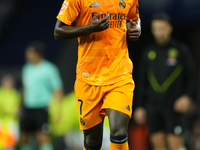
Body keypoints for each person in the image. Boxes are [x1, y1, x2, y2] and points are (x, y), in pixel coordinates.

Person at [54, 0, 141, 149]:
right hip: (88, 78)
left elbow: (134, 18)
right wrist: (89, 28)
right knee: (92, 140)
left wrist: (137, 27)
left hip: (119, 74)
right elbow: (58, 31)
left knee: (119, 133)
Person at [134, 13, 196, 150]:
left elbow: (192, 76)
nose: (159, 32)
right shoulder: (148, 53)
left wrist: (187, 96)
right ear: (152, 30)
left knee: (175, 144)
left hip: (173, 107)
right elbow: (142, 82)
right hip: (153, 107)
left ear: (169, 28)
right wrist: (139, 106)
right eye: (156, 29)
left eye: (162, 28)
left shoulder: (181, 50)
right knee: (158, 145)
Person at [19, 41, 63, 150]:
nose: (27, 55)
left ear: (38, 54)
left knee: (43, 137)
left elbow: (58, 90)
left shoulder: (49, 69)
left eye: (30, 53)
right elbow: (25, 88)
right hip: (28, 107)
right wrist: (19, 106)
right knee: (24, 137)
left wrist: (58, 111)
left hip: (42, 107)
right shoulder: (26, 69)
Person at [0, 74, 21, 149]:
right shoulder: (1, 93)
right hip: (1, 122)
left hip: (12, 122)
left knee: (10, 145)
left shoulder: (15, 94)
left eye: (10, 82)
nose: (8, 83)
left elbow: (18, 108)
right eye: (7, 81)